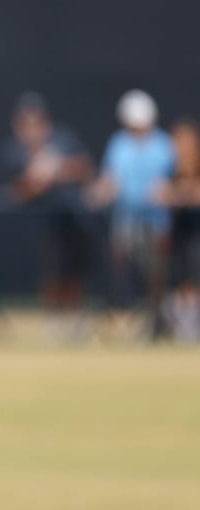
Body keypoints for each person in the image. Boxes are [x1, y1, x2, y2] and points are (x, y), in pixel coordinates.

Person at [0, 91, 95, 338]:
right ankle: (55, 321)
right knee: (51, 270)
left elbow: (85, 167)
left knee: (74, 269)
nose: (32, 127)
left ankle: (75, 320)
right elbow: (16, 190)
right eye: (26, 121)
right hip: (41, 222)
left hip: (73, 218)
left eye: (36, 120)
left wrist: (58, 170)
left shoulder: (63, 139)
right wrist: (37, 182)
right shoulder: (14, 150)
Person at [87, 89, 176, 338]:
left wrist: (167, 192)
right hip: (125, 221)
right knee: (123, 270)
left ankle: (157, 321)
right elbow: (111, 180)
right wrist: (97, 193)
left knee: (156, 275)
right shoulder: (119, 145)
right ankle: (124, 316)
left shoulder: (163, 145)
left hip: (157, 223)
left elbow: (174, 180)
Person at [161, 118, 200, 341]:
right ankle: (184, 327)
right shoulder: (170, 169)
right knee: (180, 277)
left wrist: (185, 194)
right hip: (179, 232)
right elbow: (161, 193)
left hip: (197, 232)